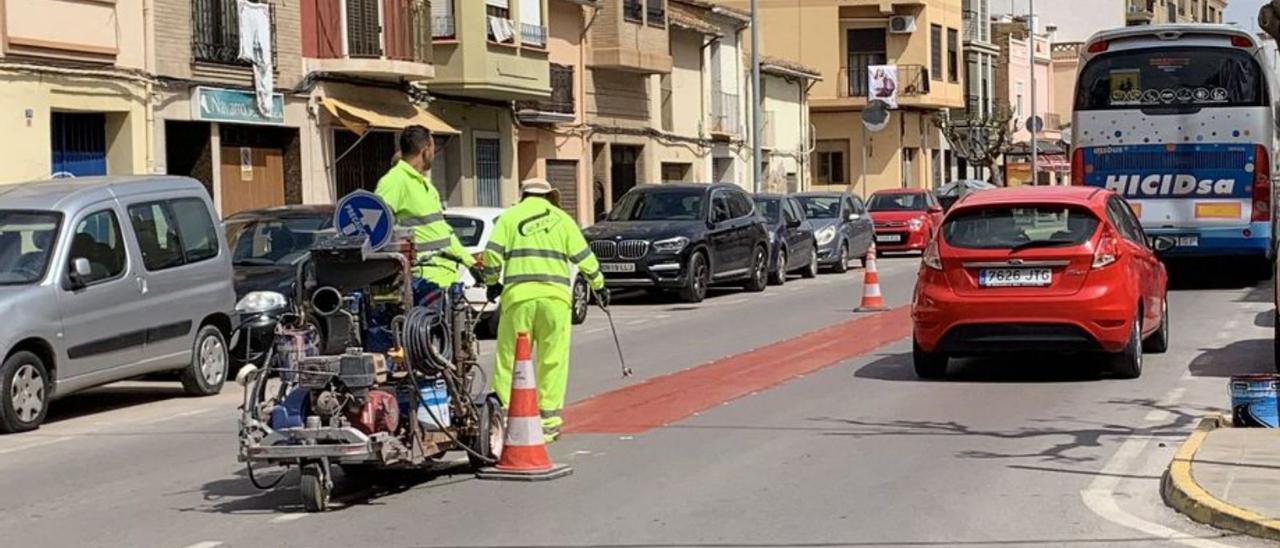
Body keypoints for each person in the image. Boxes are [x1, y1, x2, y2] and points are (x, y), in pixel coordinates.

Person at [482, 179, 606, 443]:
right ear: (550, 195)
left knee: (509, 360)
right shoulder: (563, 220)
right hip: (555, 301)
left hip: (518, 300)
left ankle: (504, 421)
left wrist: (492, 283)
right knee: (552, 361)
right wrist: (599, 285)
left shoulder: (510, 217)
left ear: (523, 194)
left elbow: (492, 254)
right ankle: (548, 425)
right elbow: (584, 256)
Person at [375, 125, 474, 291]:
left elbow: (443, 232)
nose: (433, 155)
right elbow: (375, 229)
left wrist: (471, 263)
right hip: (422, 280)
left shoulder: (425, 186)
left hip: (446, 280)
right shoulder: (395, 181)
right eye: (433, 149)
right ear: (425, 150)